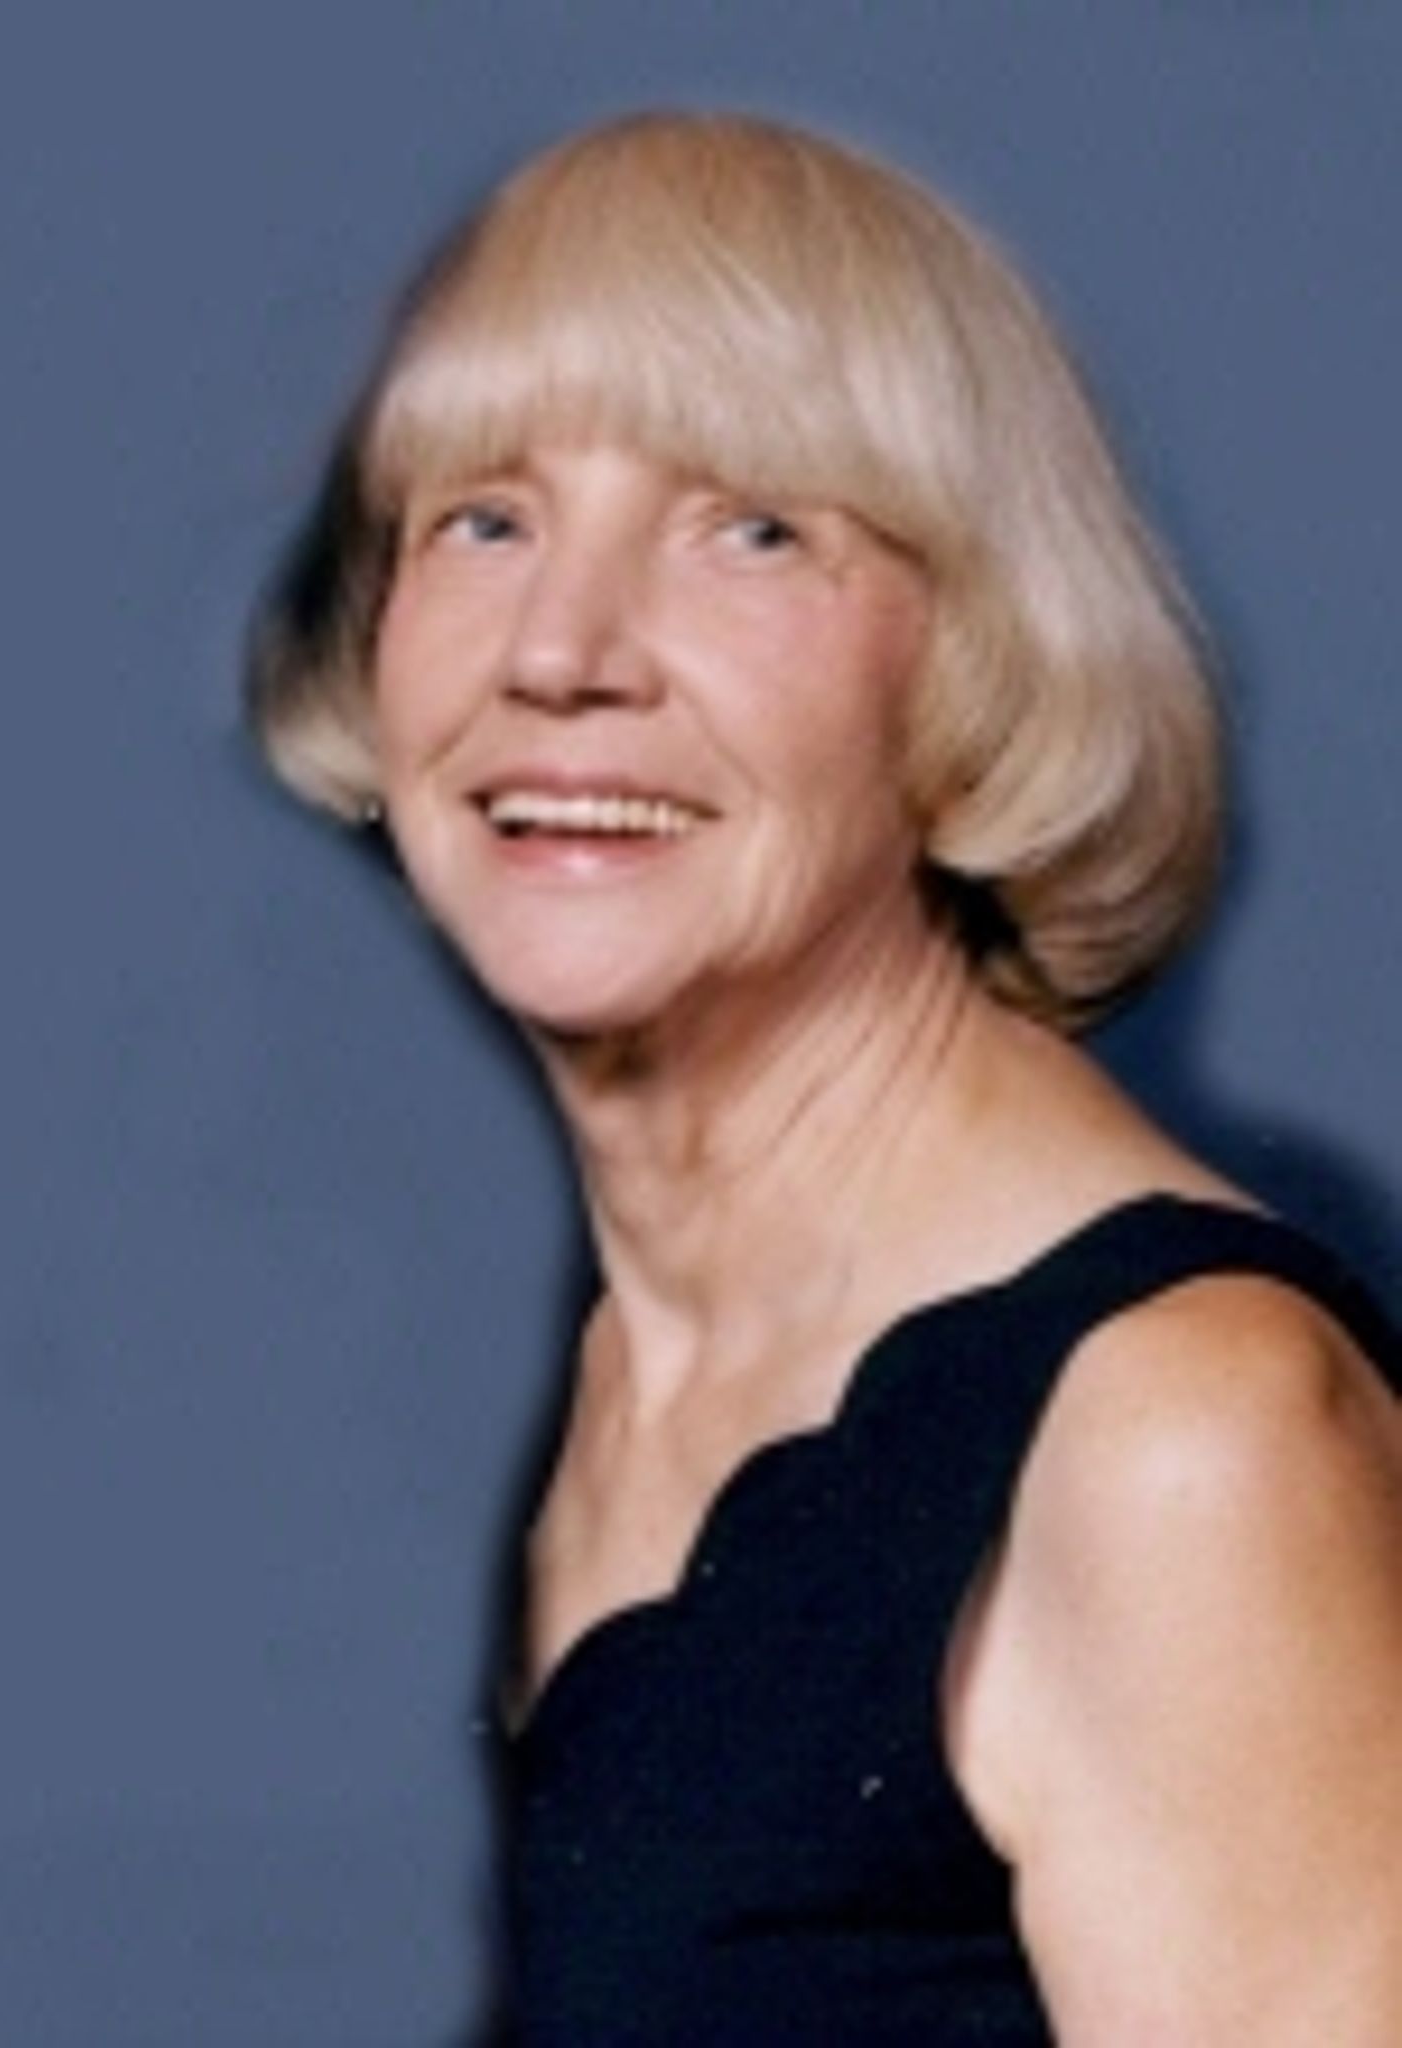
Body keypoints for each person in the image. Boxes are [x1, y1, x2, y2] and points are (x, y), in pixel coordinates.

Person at [249, 111, 1402, 2044]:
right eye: (486, 518)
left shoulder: (1175, 1441)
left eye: (751, 529)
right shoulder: (593, 1367)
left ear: (977, 664)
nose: (561, 652)